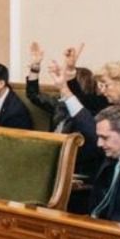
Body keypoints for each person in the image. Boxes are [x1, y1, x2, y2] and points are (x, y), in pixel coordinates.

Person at [26, 43, 101, 175]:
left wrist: (69, 74)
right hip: (49, 155)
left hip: (72, 164)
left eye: (69, 82)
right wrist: (35, 67)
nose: (63, 84)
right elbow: (34, 95)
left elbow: (81, 100)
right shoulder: (60, 104)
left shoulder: (89, 109)